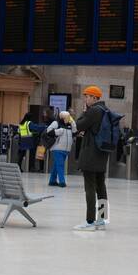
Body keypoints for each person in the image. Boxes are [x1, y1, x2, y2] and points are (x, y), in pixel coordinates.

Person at [73, 86, 114, 231]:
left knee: (89, 187)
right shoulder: (105, 110)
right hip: (101, 154)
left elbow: (78, 125)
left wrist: (83, 112)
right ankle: (102, 219)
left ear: (95, 98)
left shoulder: (93, 111)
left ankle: (90, 221)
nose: (85, 99)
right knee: (101, 186)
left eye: (87, 96)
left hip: (91, 154)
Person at [43, 110, 75, 187]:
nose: (68, 118)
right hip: (57, 148)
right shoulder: (56, 123)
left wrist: (73, 123)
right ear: (62, 117)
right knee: (60, 165)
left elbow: (75, 132)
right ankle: (62, 182)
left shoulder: (70, 125)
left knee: (56, 165)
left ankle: (52, 180)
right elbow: (48, 131)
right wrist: (58, 131)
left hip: (66, 149)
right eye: (67, 117)